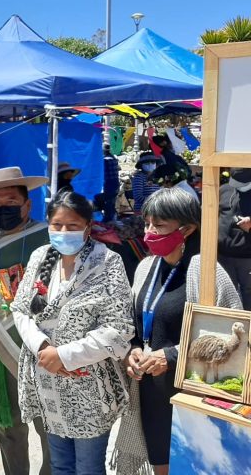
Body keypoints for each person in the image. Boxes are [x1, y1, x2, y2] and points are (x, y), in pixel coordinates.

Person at [114, 188, 242, 475]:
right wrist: (133, 350)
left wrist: (171, 356)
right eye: (147, 223)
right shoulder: (147, 267)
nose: (149, 232)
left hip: (191, 394)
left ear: (187, 229)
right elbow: (134, 325)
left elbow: (230, 337)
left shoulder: (207, 271)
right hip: (151, 393)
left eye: (159, 225)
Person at [11, 190, 133, 475]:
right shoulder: (41, 257)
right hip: (48, 383)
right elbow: (20, 309)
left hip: (88, 387)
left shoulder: (107, 262)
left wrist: (64, 356)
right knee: (60, 466)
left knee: (88, 468)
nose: (64, 232)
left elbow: (119, 328)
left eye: (73, 226)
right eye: (57, 225)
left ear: (88, 228)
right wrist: (43, 348)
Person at [0, 167, 51, 475]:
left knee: (49, 425)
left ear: (27, 204)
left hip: (45, 349)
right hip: (1, 346)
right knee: (10, 425)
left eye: (11, 200)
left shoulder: (48, 237)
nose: (4, 207)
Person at [218, 168, 251, 310]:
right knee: (225, 293)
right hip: (222, 254)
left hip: (247, 256)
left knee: (248, 293)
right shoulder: (224, 189)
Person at [101, 144, 120, 222]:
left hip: (108, 183)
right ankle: (112, 217)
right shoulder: (113, 158)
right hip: (115, 182)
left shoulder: (105, 160)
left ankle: (108, 219)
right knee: (112, 202)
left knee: (108, 202)